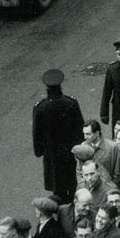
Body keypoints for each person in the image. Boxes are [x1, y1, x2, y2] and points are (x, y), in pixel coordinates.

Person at [32, 69, 84, 205]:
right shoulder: (71, 103)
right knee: (74, 185)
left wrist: (39, 151)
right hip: (71, 153)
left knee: (58, 189)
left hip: (52, 156)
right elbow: (80, 129)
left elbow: (37, 134)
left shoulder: (40, 107)